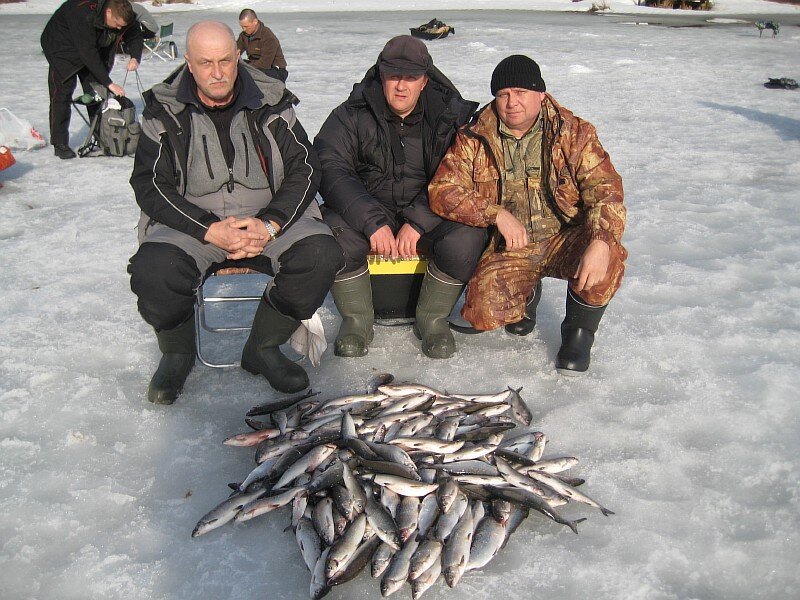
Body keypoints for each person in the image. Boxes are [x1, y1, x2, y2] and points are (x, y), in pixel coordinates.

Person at [128, 21, 343, 404]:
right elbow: (151, 185)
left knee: (320, 254)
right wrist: (210, 230)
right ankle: (177, 353)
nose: (217, 72)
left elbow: (305, 168)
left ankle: (263, 347)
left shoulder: (271, 100)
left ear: (237, 56)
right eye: (206, 63)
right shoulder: (163, 112)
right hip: (193, 223)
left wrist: (270, 223)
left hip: (267, 214)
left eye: (225, 60)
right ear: (189, 64)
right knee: (154, 270)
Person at [428, 55, 627, 375]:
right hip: (514, 244)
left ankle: (578, 335)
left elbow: (607, 190)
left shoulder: (575, 134)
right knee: (482, 313)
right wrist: (495, 214)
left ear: (541, 95)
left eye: (521, 92)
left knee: (606, 258)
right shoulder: (474, 136)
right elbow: (442, 191)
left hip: (567, 237)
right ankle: (526, 295)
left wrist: (601, 241)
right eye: (504, 94)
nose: (512, 102)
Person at [314, 35, 484, 360]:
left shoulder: (451, 117)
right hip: (370, 211)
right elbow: (331, 166)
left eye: (411, 78)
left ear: (425, 80)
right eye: (393, 76)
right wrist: (371, 221)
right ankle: (357, 321)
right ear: (381, 75)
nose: (401, 86)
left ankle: (431, 320)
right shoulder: (351, 114)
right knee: (327, 232)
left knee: (468, 236)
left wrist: (419, 222)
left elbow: (462, 175)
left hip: (430, 216)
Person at [41, 0, 141, 159]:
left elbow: (135, 35)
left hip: (93, 47)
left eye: (122, 26)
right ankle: (60, 143)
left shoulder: (123, 13)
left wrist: (135, 57)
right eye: (117, 24)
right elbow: (87, 52)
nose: (119, 28)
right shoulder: (82, 13)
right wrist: (108, 83)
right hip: (61, 49)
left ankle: (103, 137)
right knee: (61, 95)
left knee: (97, 94)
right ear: (108, 13)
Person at [237, 9, 288, 82]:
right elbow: (236, 51)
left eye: (246, 26)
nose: (244, 29)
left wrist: (246, 67)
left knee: (245, 72)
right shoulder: (244, 35)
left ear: (255, 22)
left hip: (274, 70)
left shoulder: (268, 36)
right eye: (242, 27)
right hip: (255, 67)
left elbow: (265, 64)